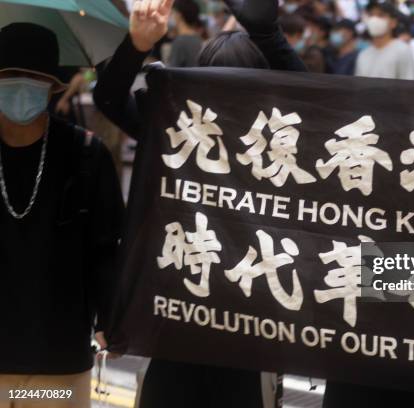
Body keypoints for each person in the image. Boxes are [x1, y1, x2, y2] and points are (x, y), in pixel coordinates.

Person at [94, 0, 305, 407]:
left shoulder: (281, 143)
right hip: (181, 327)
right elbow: (109, 98)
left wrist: (268, 35)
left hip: (244, 333)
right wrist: (136, 46)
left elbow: (321, 107)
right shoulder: (177, 127)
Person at [0, 23, 124, 408]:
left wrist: (112, 320)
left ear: (54, 85)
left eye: (34, 76)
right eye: (9, 76)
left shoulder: (86, 154)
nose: (22, 86)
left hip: (58, 360)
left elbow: (107, 249)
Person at [355, 0, 414, 80]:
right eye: (371, 15)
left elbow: (409, 87)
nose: (374, 19)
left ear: (393, 22)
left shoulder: (402, 51)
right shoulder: (363, 55)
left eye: (381, 15)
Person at [168, 0, 204, 67]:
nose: (170, 17)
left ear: (178, 15)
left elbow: (172, 72)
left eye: (172, 13)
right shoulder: (198, 39)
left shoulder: (180, 41)